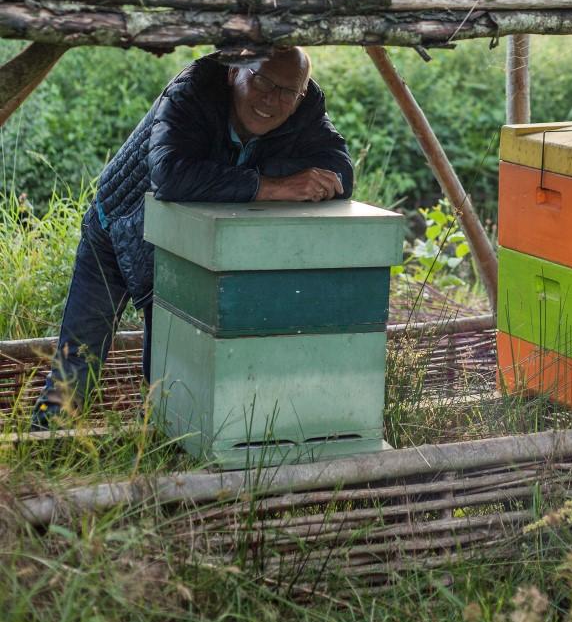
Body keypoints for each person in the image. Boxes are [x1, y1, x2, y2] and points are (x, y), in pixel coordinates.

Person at [32, 46, 353, 427]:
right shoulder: (192, 91)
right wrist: (270, 184)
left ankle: (155, 461)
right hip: (117, 226)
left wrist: (280, 176)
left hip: (187, 250)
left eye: (287, 91)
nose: (272, 99)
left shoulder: (306, 108)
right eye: (263, 81)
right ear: (235, 72)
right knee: (77, 361)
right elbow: (170, 176)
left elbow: (340, 174)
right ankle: (46, 446)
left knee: (170, 377)